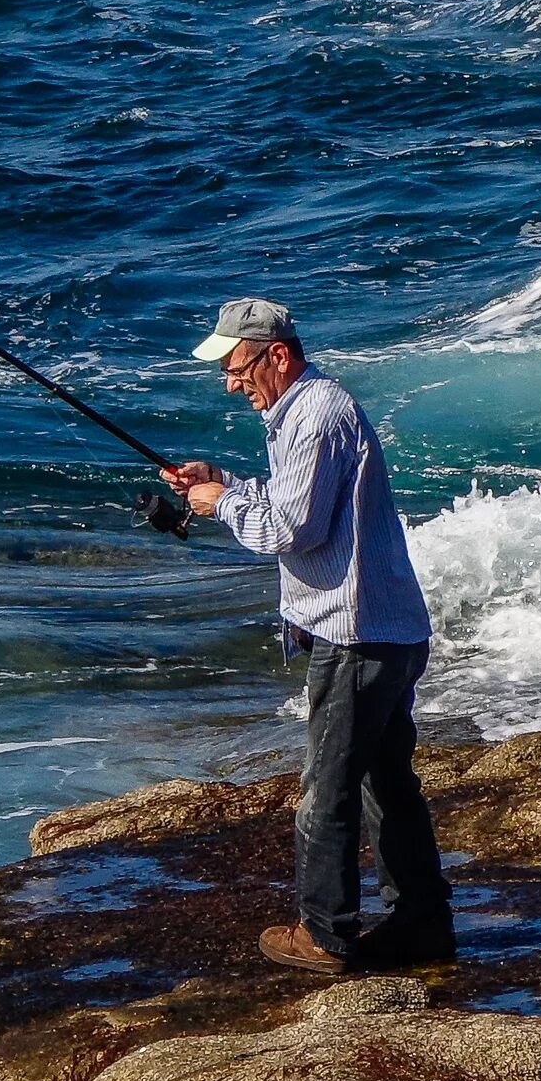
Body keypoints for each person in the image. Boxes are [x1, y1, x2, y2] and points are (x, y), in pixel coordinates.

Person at [165, 297, 453, 974]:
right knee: (386, 782)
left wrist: (223, 505)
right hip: (384, 628)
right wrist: (224, 482)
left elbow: (292, 531)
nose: (230, 383)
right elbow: (297, 502)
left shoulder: (316, 415)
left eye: (236, 368)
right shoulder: (302, 411)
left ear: (278, 355)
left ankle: (326, 934)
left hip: (356, 635)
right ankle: (423, 921)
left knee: (327, 789)